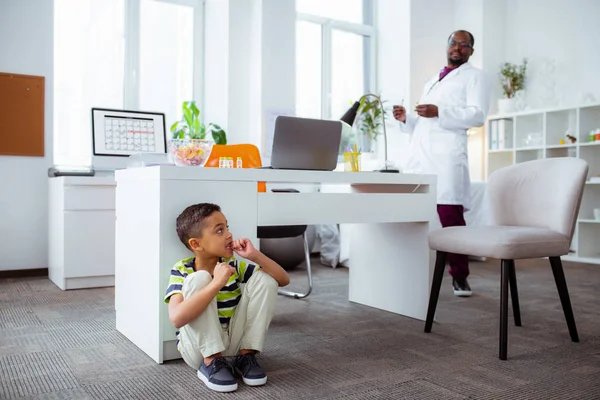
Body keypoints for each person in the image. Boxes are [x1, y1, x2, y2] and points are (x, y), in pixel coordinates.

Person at [392, 30, 491, 297]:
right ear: (446, 46)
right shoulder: (433, 80)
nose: (457, 48)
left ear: (471, 51)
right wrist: (406, 120)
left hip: (447, 155)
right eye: (453, 43)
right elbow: (425, 125)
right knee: (413, 214)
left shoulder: (475, 77)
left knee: (450, 216)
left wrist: (440, 111)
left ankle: (460, 276)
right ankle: (407, 270)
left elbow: (478, 115)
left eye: (464, 45)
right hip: (421, 155)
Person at [164, 203, 290, 393]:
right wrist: (216, 283)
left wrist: (254, 256)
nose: (229, 235)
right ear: (196, 244)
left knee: (265, 278)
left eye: (227, 227)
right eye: (220, 230)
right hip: (198, 349)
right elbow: (177, 318)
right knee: (199, 279)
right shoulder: (182, 270)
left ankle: (246, 356)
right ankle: (211, 361)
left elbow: (283, 280)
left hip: (233, 342)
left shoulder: (233, 265)